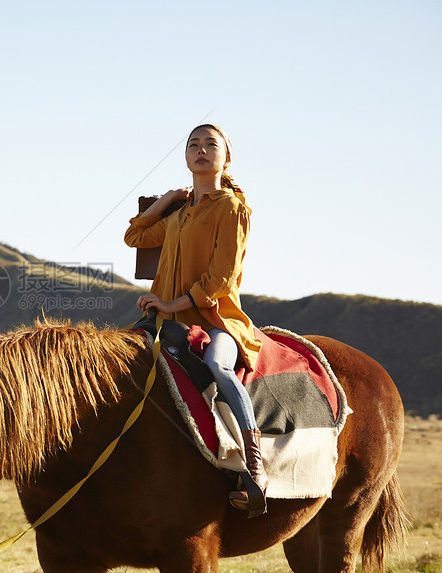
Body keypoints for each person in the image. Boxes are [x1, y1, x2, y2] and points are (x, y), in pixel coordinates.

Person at [124, 124, 268, 514]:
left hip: (216, 319)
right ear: (186, 158)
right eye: (193, 145)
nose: (201, 150)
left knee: (217, 366)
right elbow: (134, 237)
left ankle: (255, 464)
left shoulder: (233, 209)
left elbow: (221, 279)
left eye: (210, 144)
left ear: (227, 157)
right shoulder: (179, 215)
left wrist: (171, 306)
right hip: (165, 319)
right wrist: (167, 200)